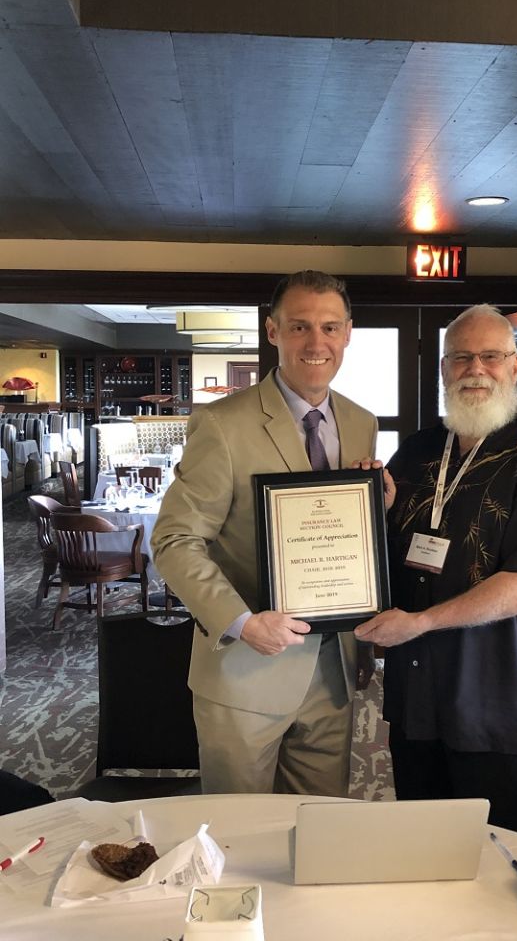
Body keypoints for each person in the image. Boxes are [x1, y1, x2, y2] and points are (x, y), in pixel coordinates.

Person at [355, 303, 517, 840]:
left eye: (490, 357)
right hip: (417, 694)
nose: (475, 369)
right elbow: (394, 554)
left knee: (499, 855)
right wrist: (377, 510)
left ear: (514, 367)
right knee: (422, 844)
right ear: (443, 369)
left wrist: (422, 623)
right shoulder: (416, 453)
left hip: (494, 700)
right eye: (460, 358)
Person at [151, 270, 377, 797]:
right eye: (299, 327)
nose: (315, 343)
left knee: (318, 839)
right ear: (273, 332)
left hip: (333, 671)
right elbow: (174, 541)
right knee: (240, 843)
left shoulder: (362, 421)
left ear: (348, 333)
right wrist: (242, 622)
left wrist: (378, 508)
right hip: (247, 670)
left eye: (329, 327)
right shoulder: (223, 424)